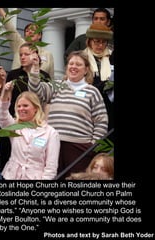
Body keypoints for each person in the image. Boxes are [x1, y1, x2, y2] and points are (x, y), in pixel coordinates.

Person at [28, 50, 108, 179]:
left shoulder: (92, 92)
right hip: (53, 144)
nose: (73, 67)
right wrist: (35, 69)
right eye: (71, 63)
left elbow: (101, 120)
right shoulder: (56, 86)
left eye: (78, 64)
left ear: (86, 69)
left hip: (80, 148)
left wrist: (93, 145)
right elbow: (36, 91)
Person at [0, 86, 60, 180]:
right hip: (11, 176)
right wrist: (5, 94)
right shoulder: (14, 126)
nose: (21, 109)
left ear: (36, 108)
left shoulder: (51, 133)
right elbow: (2, 117)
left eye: (25, 105)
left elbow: (51, 166)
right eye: (19, 106)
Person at [0, 8, 54, 80]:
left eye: (33, 30)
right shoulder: (19, 44)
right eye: (27, 31)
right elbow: (9, 27)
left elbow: (51, 79)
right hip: (18, 84)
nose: (30, 32)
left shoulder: (48, 55)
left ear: (40, 35)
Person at [5, 42, 51, 117]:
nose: (22, 57)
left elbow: (47, 101)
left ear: (35, 55)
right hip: (16, 116)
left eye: (26, 54)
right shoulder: (13, 75)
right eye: (20, 55)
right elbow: (7, 99)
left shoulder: (44, 76)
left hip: (37, 117)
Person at [84, 23, 114, 131]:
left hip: (108, 107)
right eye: (96, 41)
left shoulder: (111, 57)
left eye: (103, 42)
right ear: (89, 41)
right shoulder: (82, 58)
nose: (100, 45)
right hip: (88, 106)